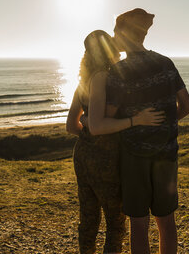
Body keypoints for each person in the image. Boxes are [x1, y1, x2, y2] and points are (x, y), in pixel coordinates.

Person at [66, 30, 165, 254]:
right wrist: (134, 120)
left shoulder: (82, 81)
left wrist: (87, 126)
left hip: (82, 155)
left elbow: (71, 126)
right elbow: (101, 125)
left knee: (88, 218)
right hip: (106, 159)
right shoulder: (103, 77)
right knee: (115, 223)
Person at [105, 8, 189, 254]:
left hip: (134, 156)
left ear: (124, 33)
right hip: (167, 154)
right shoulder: (165, 62)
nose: (112, 38)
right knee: (166, 221)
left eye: (115, 32)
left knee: (139, 224)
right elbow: (187, 106)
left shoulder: (119, 71)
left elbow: (109, 116)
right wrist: (166, 122)